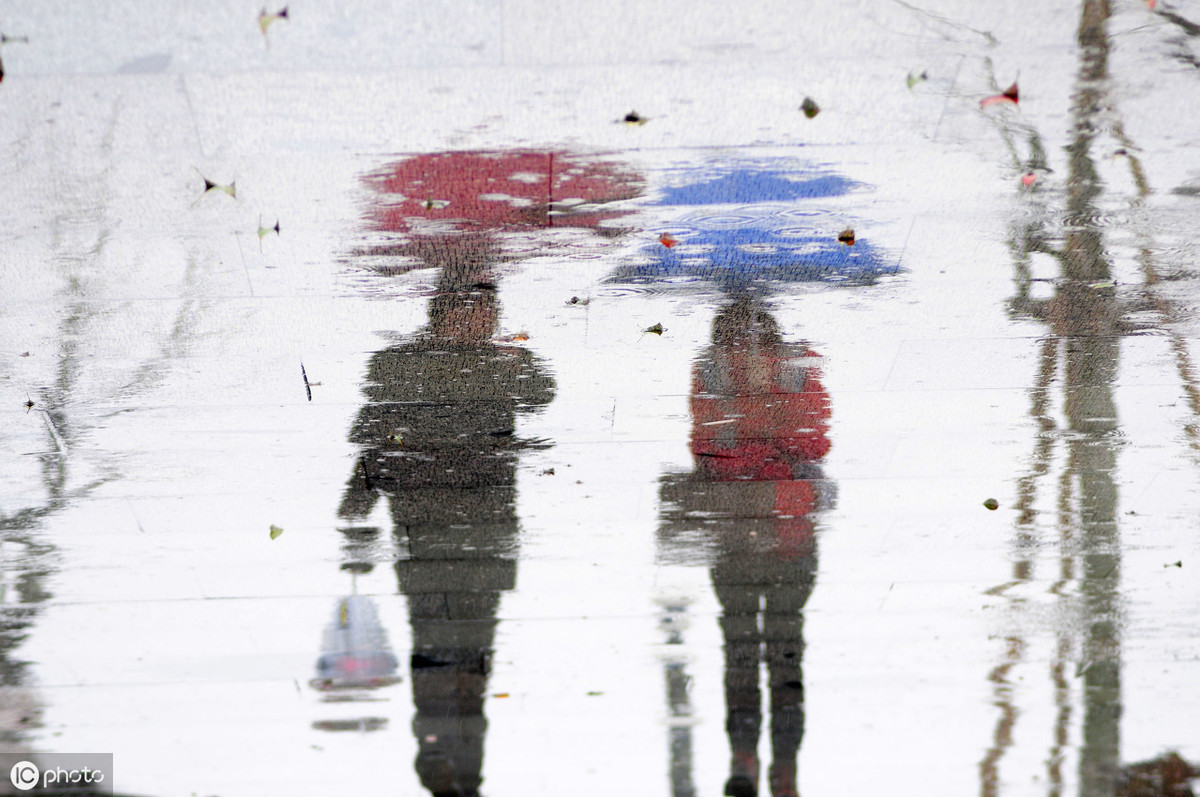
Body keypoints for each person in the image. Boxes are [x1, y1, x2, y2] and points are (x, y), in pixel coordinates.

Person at [660, 294, 834, 797]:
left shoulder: (798, 368)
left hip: (790, 527)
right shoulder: (711, 371)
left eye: (755, 333)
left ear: (771, 331)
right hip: (734, 528)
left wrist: (753, 416)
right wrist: (763, 420)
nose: (745, 344)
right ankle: (743, 752)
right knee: (738, 646)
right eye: (735, 333)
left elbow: (813, 441)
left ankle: (786, 763)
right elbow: (710, 444)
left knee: (784, 646)